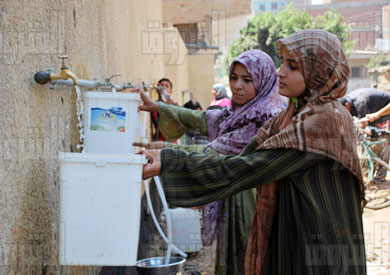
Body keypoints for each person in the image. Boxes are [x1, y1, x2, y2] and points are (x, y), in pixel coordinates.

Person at [140, 30, 366, 274]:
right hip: (294, 228)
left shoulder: (322, 120)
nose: (282, 72)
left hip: (318, 241)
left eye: (293, 66)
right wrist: (172, 152)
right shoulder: (292, 116)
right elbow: (238, 153)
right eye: (283, 63)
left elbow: (252, 165)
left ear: (319, 73)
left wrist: (173, 160)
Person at [133, 50, 285, 274]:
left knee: (249, 255)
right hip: (231, 193)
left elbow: (217, 154)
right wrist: (158, 108)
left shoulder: (265, 118)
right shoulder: (236, 114)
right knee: (232, 256)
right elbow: (202, 119)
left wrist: (168, 152)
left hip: (254, 199)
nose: (237, 86)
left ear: (263, 80)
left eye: (247, 79)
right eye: (234, 78)